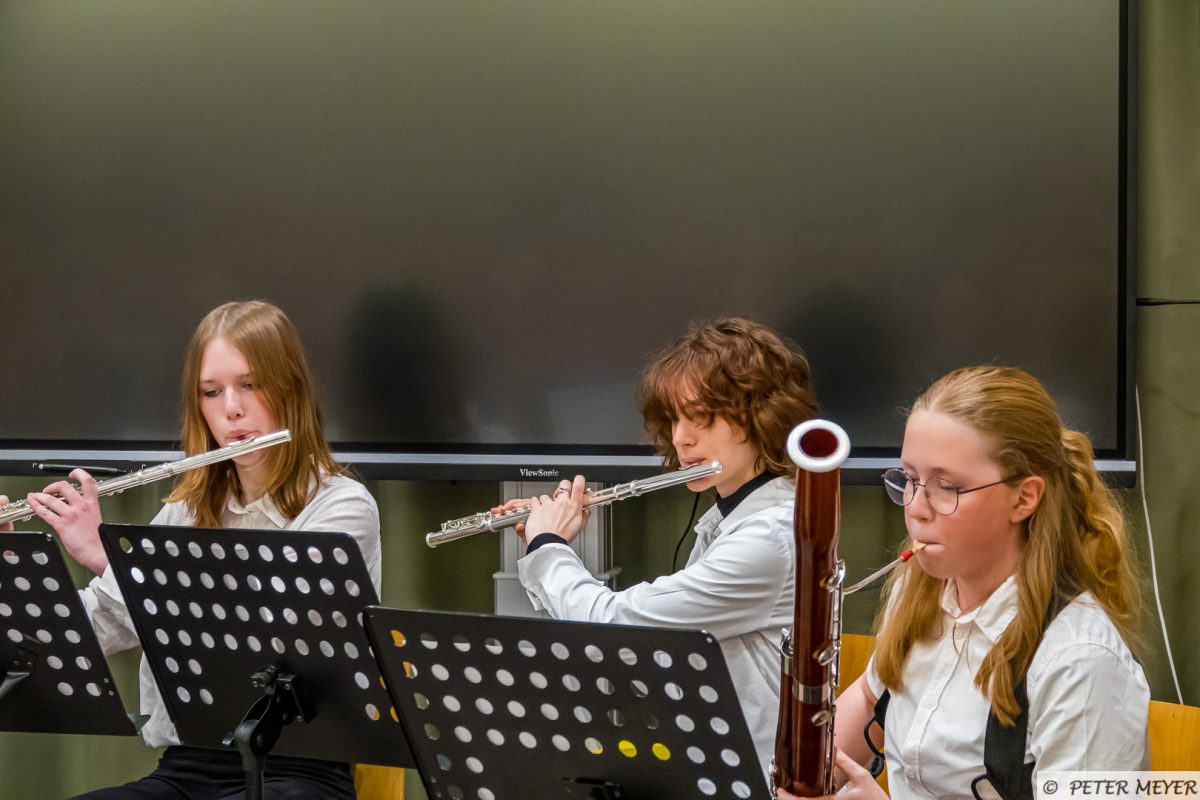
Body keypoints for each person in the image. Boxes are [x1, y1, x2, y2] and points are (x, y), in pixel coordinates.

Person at [27, 300, 381, 800]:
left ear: (290, 388)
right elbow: (101, 623)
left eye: (250, 385)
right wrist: (15, 584)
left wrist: (109, 559)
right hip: (188, 766)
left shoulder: (342, 506)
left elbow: (256, 633)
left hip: (299, 770)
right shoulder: (186, 510)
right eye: (212, 392)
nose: (231, 409)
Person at [779, 366, 1148, 800]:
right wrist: (805, 776)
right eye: (909, 479)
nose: (915, 508)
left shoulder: (1080, 662)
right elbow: (871, 697)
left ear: (1024, 498)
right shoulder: (920, 587)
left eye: (947, 486)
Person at [511, 316, 819, 776]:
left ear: (761, 416)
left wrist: (548, 544)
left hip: (753, 781)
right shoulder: (733, 519)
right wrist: (547, 541)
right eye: (674, 418)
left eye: (701, 417)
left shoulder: (769, 539)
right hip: (710, 766)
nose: (680, 438)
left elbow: (614, 630)